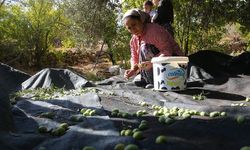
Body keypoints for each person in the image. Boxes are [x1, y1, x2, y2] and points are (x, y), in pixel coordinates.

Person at [122, 9, 183, 88]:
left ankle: (155, 81)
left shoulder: (154, 31)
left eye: (134, 25)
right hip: (156, 67)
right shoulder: (133, 40)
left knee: (144, 47)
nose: (133, 30)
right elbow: (135, 58)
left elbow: (167, 51)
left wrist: (153, 63)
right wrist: (133, 70)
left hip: (174, 65)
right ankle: (149, 79)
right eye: (129, 28)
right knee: (141, 53)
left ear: (141, 20)